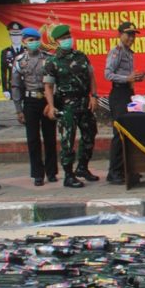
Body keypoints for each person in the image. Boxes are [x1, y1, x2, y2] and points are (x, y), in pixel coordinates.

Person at [43, 24, 99, 188]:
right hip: (66, 105)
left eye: (68, 37)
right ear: (57, 41)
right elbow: (48, 86)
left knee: (90, 134)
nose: (67, 40)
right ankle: (68, 175)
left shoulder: (81, 56)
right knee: (68, 139)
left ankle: (82, 167)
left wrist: (94, 96)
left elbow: (91, 77)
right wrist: (51, 106)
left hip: (84, 101)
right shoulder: (52, 61)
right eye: (63, 38)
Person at [11, 27, 58, 186]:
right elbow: (16, 86)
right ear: (24, 41)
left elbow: (55, 82)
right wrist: (18, 109)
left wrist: (51, 104)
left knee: (50, 137)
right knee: (33, 139)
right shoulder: (19, 61)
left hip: (46, 101)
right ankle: (38, 174)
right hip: (30, 101)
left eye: (36, 40)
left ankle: (52, 172)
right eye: (30, 40)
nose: (34, 43)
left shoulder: (48, 58)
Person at [104, 21, 145, 183]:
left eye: (133, 35)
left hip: (128, 93)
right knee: (120, 134)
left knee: (129, 133)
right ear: (120, 34)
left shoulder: (129, 53)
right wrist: (127, 78)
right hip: (118, 94)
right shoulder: (116, 52)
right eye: (128, 34)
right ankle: (114, 172)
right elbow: (108, 74)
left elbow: (128, 77)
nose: (131, 38)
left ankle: (127, 169)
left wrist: (138, 77)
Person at [0, 21, 24, 100]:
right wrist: (5, 89)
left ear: (21, 36)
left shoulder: (26, 51)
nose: (16, 37)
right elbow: (3, 72)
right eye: (13, 35)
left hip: (26, 86)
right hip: (13, 86)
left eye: (18, 35)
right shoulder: (5, 52)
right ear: (10, 36)